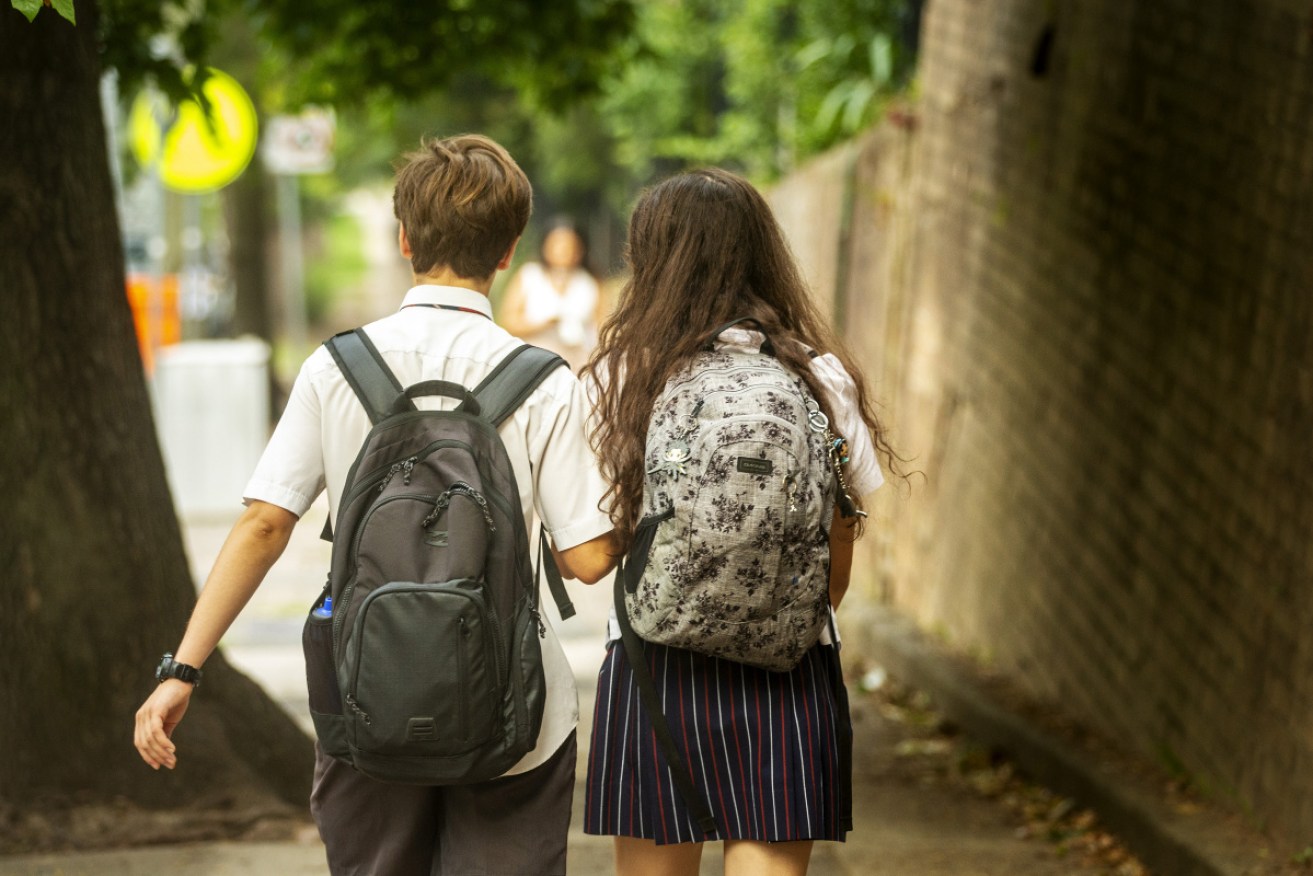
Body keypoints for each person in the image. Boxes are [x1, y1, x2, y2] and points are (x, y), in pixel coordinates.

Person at [134, 134, 617, 876]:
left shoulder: (335, 368)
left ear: (402, 238)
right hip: (515, 712)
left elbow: (265, 523)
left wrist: (182, 671)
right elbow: (586, 561)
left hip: (363, 699)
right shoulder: (544, 379)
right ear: (508, 252)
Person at [579, 168, 894, 876]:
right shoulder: (819, 376)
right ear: (763, 253)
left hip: (652, 657)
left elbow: (598, 548)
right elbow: (842, 530)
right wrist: (787, 607)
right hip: (791, 659)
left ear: (648, 259)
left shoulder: (621, 377)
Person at [498, 219, 604, 371]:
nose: (563, 251)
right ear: (545, 246)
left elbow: (601, 327)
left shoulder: (590, 282)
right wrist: (544, 324)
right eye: (557, 244)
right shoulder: (529, 275)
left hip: (577, 364)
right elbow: (508, 321)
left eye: (569, 245)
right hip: (534, 363)